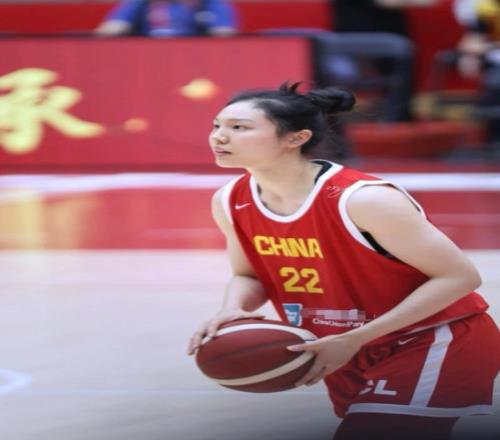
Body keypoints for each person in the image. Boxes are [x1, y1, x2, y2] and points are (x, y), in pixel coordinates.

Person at [187, 82, 500, 439]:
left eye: (239, 127)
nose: (219, 136)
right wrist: (233, 310)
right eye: (217, 125)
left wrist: (356, 338)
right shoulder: (230, 201)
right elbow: (249, 275)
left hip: (430, 339)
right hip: (342, 349)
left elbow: (459, 277)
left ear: (295, 138)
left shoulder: (363, 200)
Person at [453, 0, 500, 152]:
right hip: (495, 62)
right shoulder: (487, 9)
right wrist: (472, 54)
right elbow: (470, 44)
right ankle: (495, 138)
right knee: (495, 82)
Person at [95, 0, 238, 37]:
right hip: (146, 57)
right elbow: (110, 30)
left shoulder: (211, 3)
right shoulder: (139, 3)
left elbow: (224, 33)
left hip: (194, 58)